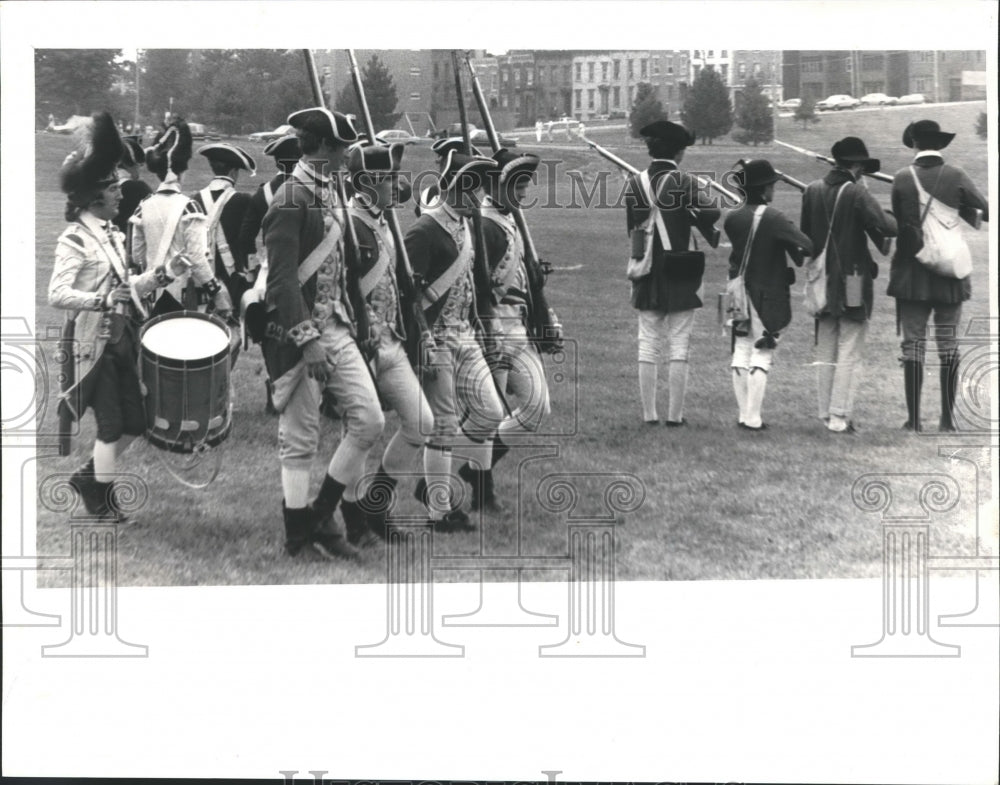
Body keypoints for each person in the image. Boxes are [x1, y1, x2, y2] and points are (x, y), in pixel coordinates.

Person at [261, 106, 384, 559]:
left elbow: (346, 267)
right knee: (300, 436)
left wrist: (363, 323)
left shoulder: (330, 190)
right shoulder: (290, 199)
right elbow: (282, 280)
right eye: (343, 148)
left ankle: (321, 516)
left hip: (337, 323)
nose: (348, 156)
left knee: (370, 420)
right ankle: (298, 537)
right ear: (326, 149)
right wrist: (306, 338)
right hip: (298, 332)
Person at [340, 142, 439, 541]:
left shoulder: (385, 222)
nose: (398, 183)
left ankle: (375, 503)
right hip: (358, 343)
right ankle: (351, 518)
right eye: (390, 177)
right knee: (362, 430)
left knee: (421, 422)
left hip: (391, 341)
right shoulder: (347, 223)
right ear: (367, 184)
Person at [404, 150, 504, 531]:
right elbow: (409, 295)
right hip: (437, 338)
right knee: (443, 423)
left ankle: (433, 478)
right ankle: (438, 511)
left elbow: (471, 285)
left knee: (490, 412)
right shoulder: (424, 230)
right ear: (455, 189)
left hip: (464, 333)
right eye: (472, 189)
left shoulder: (465, 225)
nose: (478, 198)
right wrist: (424, 341)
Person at [50, 112, 143, 521]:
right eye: (115, 189)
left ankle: (89, 477)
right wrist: (102, 301)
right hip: (92, 343)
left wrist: (162, 275)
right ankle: (101, 500)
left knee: (135, 423)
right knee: (110, 425)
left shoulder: (110, 232)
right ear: (94, 198)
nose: (122, 195)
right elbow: (57, 294)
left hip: (119, 338)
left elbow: (125, 287)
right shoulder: (75, 239)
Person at [457, 148, 557, 511]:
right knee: (488, 413)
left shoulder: (510, 219)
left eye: (525, 184)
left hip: (520, 326)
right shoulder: (484, 224)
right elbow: (480, 286)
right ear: (496, 184)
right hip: (495, 327)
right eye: (518, 184)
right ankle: (482, 492)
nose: (523, 192)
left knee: (536, 408)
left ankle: (469, 468)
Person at [888, 120, 989, 432]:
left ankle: (914, 420)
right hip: (949, 274)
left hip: (912, 273)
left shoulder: (902, 178)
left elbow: (902, 223)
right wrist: (960, 210)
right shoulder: (957, 175)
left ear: (915, 144)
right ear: (940, 145)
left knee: (913, 345)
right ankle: (947, 420)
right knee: (948, 346)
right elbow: (985, 209)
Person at [624, 120, 720, 426]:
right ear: (678, 152)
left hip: (647, 269)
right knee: (679, 342)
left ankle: (649, 414)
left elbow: (632, 227)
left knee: (648, 342)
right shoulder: (685, 181)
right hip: (680, 268)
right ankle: (675, 416)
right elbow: (712, 213)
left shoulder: (635, 183)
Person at [800, 136, 897, 433]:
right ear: (855, 166)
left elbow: (806, 237)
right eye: (862, 167)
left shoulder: (812, 190)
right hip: (853, 280)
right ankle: (840, 415)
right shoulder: (856, 192)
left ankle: (826, 413)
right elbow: (887, 226)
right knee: (850, 348)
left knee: (826, 348)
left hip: (820, 280)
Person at [724, 159, 813, 430]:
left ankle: (743, 414)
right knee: (763, 352)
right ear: (763, 190)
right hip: (768, 292)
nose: (774, 189)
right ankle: (753, 418)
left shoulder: (733, 217)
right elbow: (807, 245)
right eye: (771, 185)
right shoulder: (774, 217)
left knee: (741, 350)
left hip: (738, 291)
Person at [128, 118, 232, 320]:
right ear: (182, 171)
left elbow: (137, 256)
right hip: (185, 297)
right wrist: (217, 293)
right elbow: (197, 258)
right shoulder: (190, 207)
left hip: (152, 295)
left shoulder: (143, 207)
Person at [238, 134, 303, 415]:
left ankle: (275, 384)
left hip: (271, 268)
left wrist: (253, 268)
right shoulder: (307, 190)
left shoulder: (263, 192)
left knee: (271, 332)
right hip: (306, 267)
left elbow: (245, 238)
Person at [192, 142, 257, 312]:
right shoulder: (244, 200)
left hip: (202, 277)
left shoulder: (195, 199)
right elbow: (247, 242)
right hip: (233, 277)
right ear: (233, 171)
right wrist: (251, 272)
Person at [112, 134, 152, 235]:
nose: (139, 170)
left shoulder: (103, 187)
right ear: (127, 164)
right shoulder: (138, 188)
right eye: (138, 165)